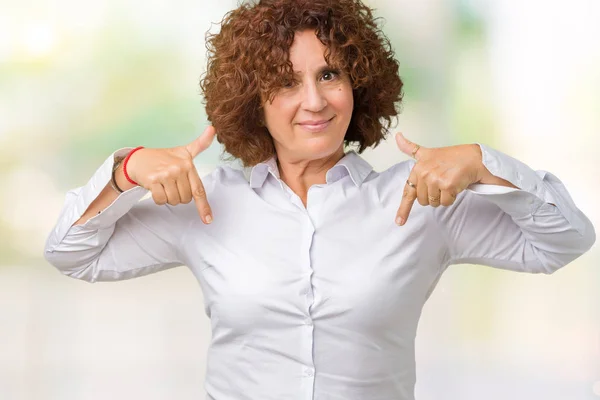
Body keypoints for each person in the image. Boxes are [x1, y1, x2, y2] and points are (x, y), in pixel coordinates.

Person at [44, 0, 596, 399]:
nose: (313, 101)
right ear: (253, 101)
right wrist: (125, 169)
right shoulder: (208, 201)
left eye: (329, 74)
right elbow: (72, 252)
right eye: (285, 82)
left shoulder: (418, 201)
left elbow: (564, 241)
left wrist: (482, 162)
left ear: (358, 85)